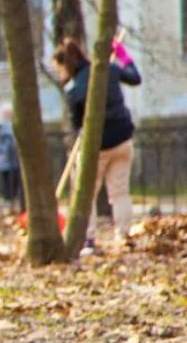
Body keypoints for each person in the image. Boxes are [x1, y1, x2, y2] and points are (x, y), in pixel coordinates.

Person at [52, 35, 142, 253]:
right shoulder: (109, 69)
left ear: (66, 65)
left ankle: (88, 239)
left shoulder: (74, 89)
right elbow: (135, 78)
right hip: (122, 139)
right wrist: (123, 57)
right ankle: (124, 235)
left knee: (86, 193)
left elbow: (76, 124)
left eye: (59, 68)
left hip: (96, 147)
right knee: (120, 192)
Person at [0, 104, 22, 213]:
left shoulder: (5, 126)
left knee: (10, 186)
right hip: (9, 162)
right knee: (9, 185)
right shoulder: (7, 127)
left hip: (8, 161)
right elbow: (10, 144)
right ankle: (9, 205)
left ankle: (10, 204)